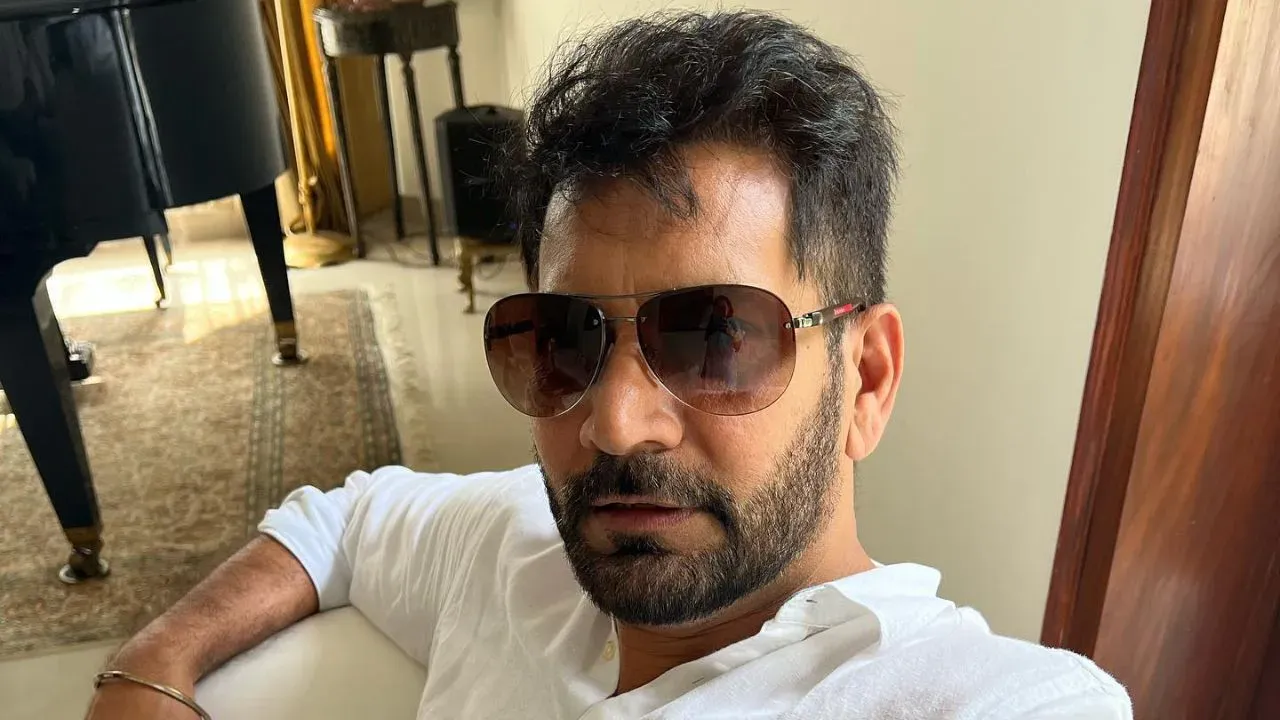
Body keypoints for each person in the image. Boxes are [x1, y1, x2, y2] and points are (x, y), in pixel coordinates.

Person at [88, 10, 1131, 719]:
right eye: (561, 338)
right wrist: (151, 669)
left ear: (865, 380)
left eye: (715, 336)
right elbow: (343, 521)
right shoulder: (511, 545)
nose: (614, 421)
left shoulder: (993, 698)